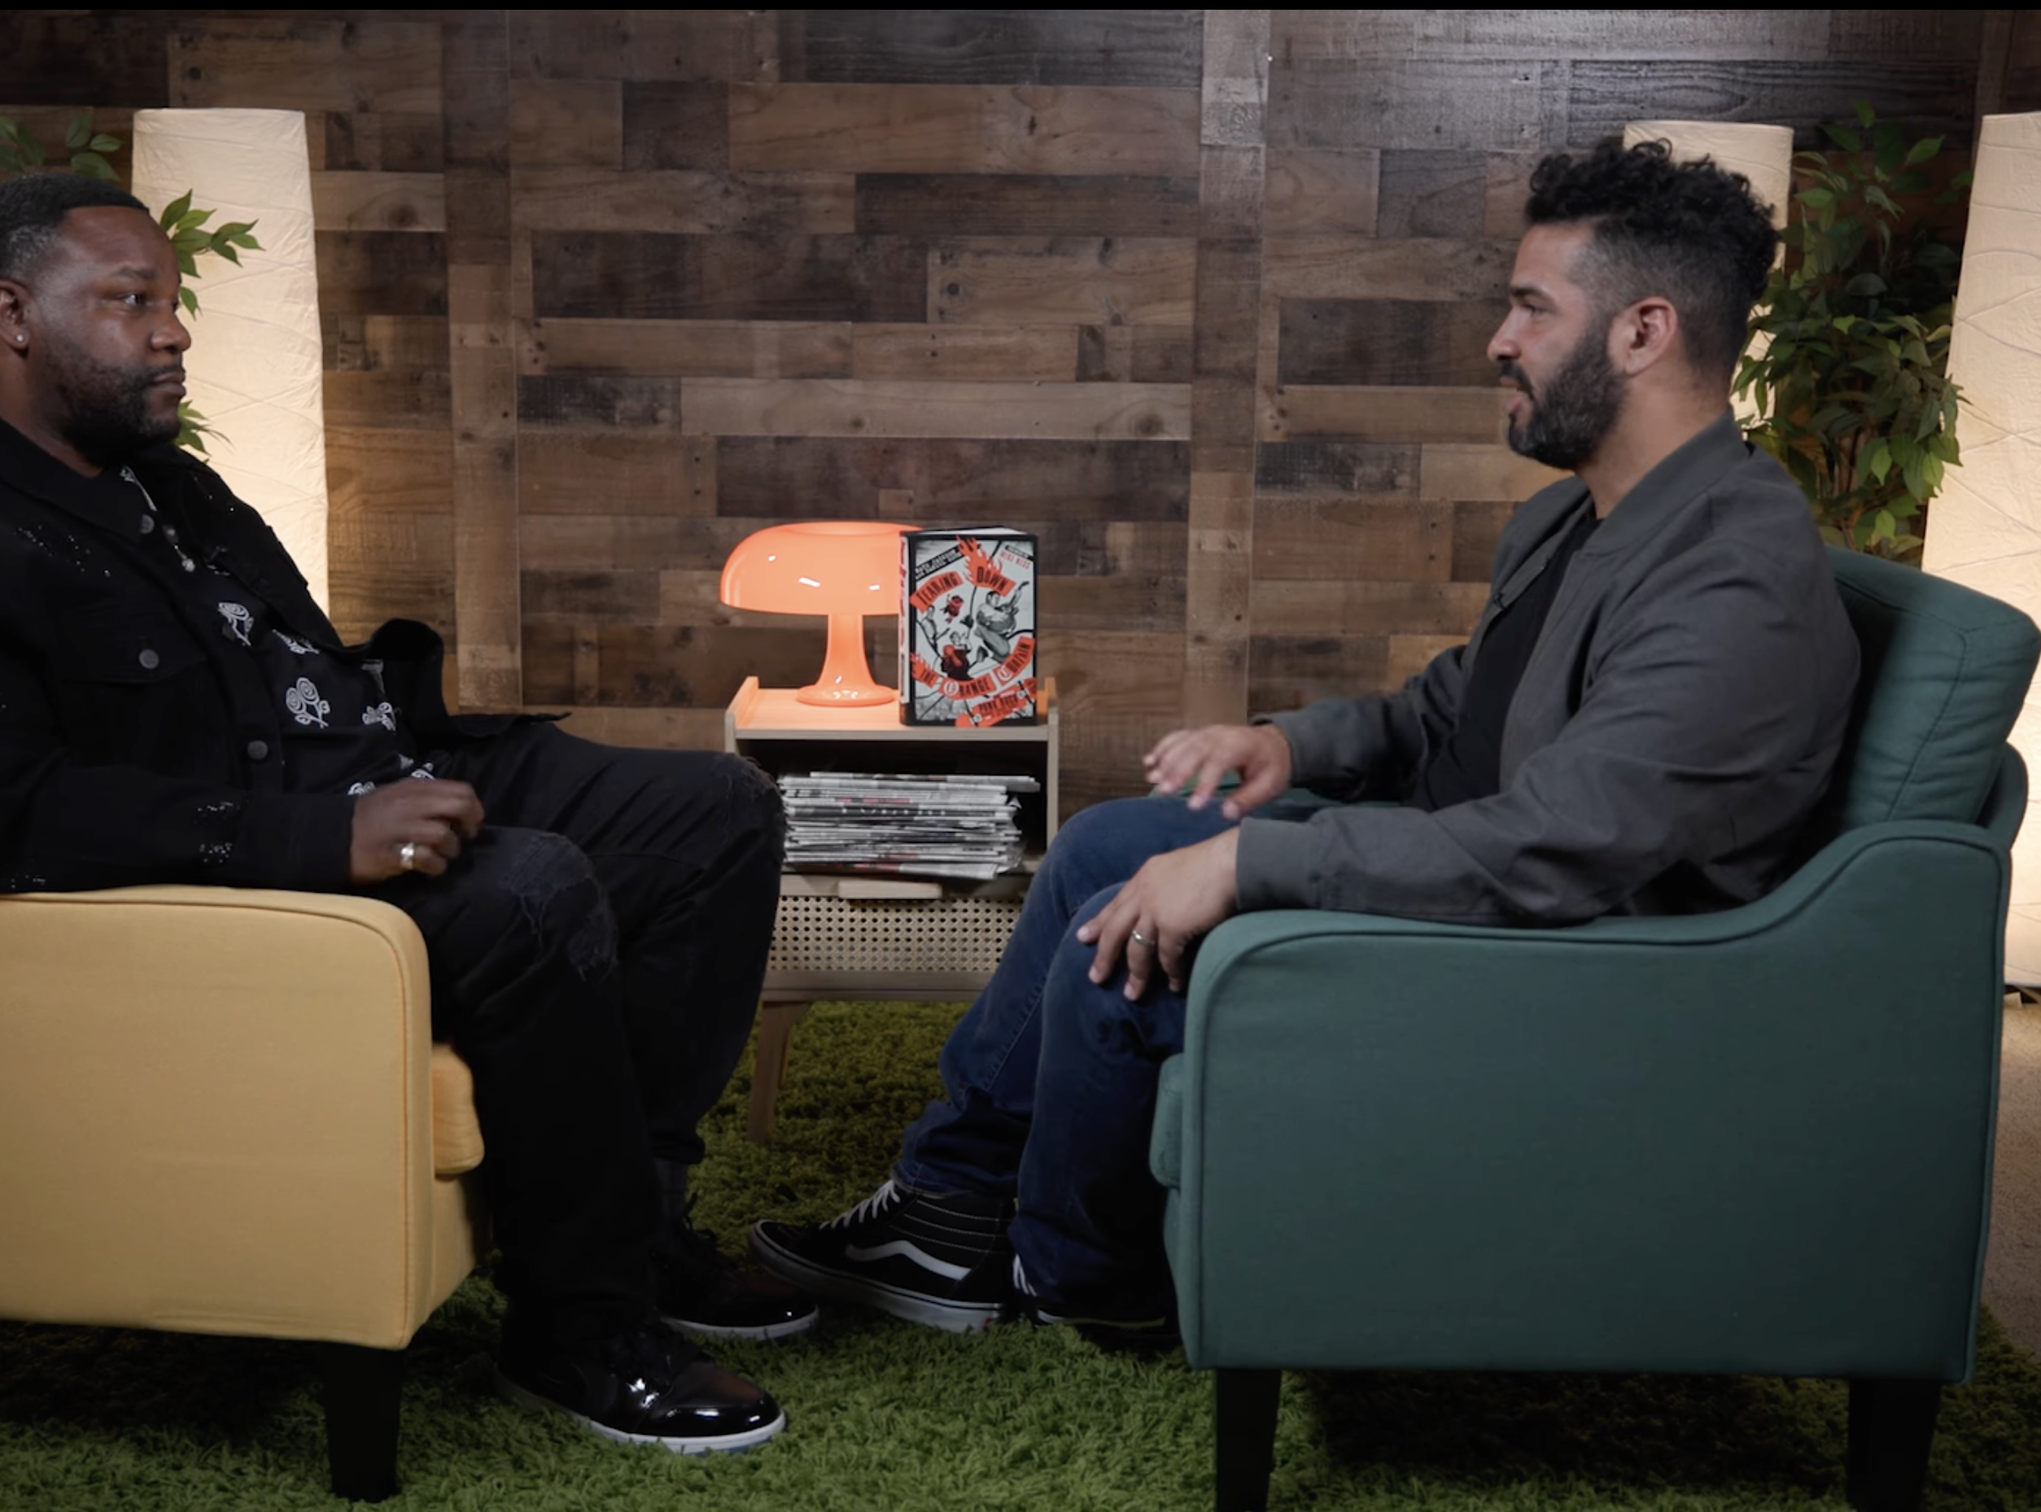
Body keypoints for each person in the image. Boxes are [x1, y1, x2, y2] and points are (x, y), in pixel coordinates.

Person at [0, 172, 814, 1452]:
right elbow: (7, 818)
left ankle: (636, 1230)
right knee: (529, 887)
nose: (172, 329)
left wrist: (394, 761)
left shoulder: (160, 475)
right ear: (11, 314)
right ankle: (581, 1327)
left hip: (362, 770)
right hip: (241, 867)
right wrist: (323, 838)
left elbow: (283, 663)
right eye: (129, 300)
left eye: (172, 297)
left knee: (718, 811)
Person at [750, 141, 1860, 1346]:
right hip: (1467, 871)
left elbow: (1562, 845)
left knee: (1130, 935)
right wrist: (1290, 747)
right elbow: (1453, 708)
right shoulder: (1579, 517)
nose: (1498, 339)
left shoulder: (1732, 575)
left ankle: (1081, 1279)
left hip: (1570, 969)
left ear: (1643, 332)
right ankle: (949, 1208)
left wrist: (1247, 864)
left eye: (1531, 308)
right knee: (1102, 846)